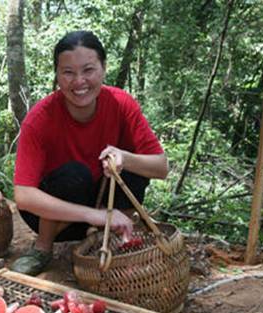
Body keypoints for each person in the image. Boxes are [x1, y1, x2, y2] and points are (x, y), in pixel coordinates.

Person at [10, 31, 168, 275]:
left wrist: (124, 157)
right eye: (68, 72)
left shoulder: (121, 104)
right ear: (57, 75)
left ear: (103, 68)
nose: (79, 81)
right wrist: (97, 216)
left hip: (104, 208)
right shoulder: (40, 119)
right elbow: (23, 196)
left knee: (133, 165)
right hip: (55, 218)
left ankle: (116, 239)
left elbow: (161, 166)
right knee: (75, 174)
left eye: (88, 70)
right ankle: (42, 248)